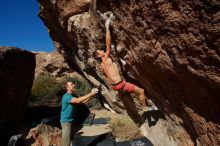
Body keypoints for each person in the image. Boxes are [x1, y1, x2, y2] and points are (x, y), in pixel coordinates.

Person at [94, 15, 150, 112]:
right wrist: (107, 26)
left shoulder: (101, 66)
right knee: (141, 91)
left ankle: (122, 92)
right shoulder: (105, 58)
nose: (102, 51)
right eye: (100, 51)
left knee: (128, 89)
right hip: (120, 84)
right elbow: (108, 43)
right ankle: (145, 108)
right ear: (99, 56)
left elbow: (106, 77)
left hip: (116, 86)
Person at [60, 81, 98, 146]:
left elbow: (83, 101)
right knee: (66, 143)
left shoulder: (72, 96)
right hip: (66, 122)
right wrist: (91, 93)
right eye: (72, 85)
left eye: (73, 84)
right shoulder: (66, 96)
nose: (74, 85)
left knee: (71, 139)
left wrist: (92, 95)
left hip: (71, 121)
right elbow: (78, 100)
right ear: (67, 88)